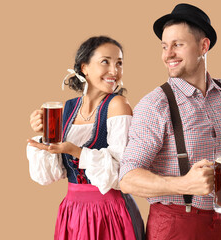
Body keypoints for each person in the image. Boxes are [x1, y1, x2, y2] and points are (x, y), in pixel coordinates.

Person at [119, 3, 221, 240]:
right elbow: (127, 178)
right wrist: (183, 185)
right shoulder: (155, 105)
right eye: (164, 46)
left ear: (203, 46)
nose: (167, 55)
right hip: (175, 226)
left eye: (177, 45)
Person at [26, 36, 144, 240]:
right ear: (84, 67)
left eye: (119, 63)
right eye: (105, 61)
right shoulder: (67, 109)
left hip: (110, 212)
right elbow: (49, 177)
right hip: (73, 212)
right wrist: (45, 137)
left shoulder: (118, 106)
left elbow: (123, 173)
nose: (114, 71)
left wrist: (75, 150)